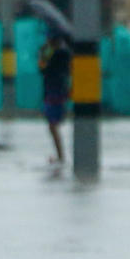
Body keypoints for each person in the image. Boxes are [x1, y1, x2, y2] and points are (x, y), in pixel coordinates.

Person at [38, 31, 73, 167]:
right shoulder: (57, 53)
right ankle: (60, 155)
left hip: (56, 92)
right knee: (52, 125)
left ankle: (61, 155)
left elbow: (45, 69)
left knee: (53, 124)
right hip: (53, 91)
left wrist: (44, 54)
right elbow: (42, 69)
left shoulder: (61, 54)